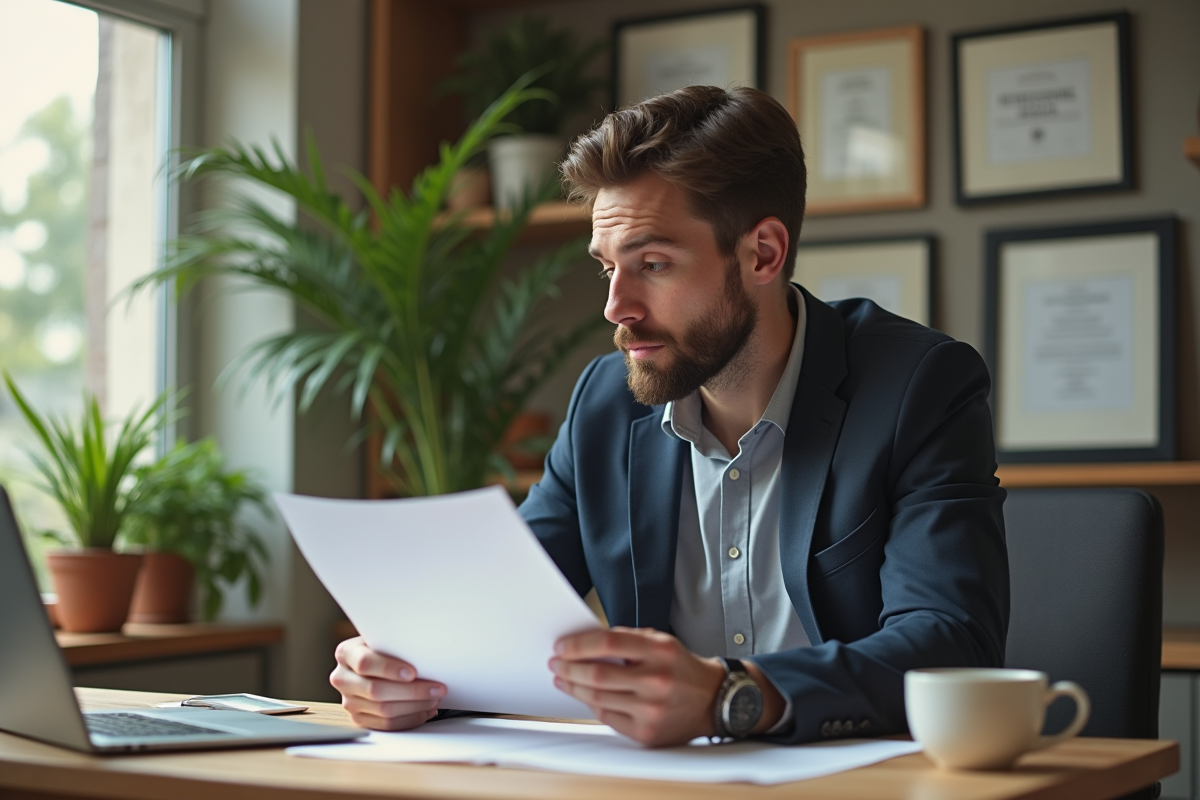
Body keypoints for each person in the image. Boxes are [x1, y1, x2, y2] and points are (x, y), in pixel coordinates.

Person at [330, 85, 1010, 747]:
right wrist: (402, 674)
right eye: (607, 267)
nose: (616, 307)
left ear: (763, 254)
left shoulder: (917, 387)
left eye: (653, 263)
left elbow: (949, 642)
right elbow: (501, 619)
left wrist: (734, 696)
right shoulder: (604, 403)